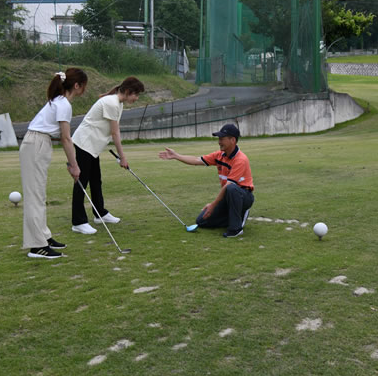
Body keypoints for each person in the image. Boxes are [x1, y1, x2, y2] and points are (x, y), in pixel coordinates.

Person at [20, 68, 88, 259]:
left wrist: (72, 162)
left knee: (39, 194)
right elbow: (66, 139)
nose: (84, 90)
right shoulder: (64, 104)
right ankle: (37, 246)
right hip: (35, 144)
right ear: (77, 86)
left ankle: (44, 237)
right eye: (84, 86)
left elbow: (62, 137)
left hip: (39, 143)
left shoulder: (59, 102)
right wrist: (74, 166)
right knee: (35, 196)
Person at [70, 76, 145, 234]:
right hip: (85, 143)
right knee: (81, 182)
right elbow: (114, 132)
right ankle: (78, 222)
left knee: (96, 180)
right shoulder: (111, 103)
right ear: (127, 91)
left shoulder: (118, 103)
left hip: (93, 146)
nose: (136, 98)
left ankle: (100, 214)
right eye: (135, 94)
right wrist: (122, 157)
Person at [158, 123, 254, 238]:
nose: (219, 142)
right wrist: (176, 156)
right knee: (201, 221)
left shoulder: (241, 159)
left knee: (231, 188)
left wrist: (213, 205)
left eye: (222, 139)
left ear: (233, 140)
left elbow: (228, 185)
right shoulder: (219, 155)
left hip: (244, 197)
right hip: (228, 196)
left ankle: (236, 229)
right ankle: (235, 217)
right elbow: (196, 160)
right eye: (219, 138)